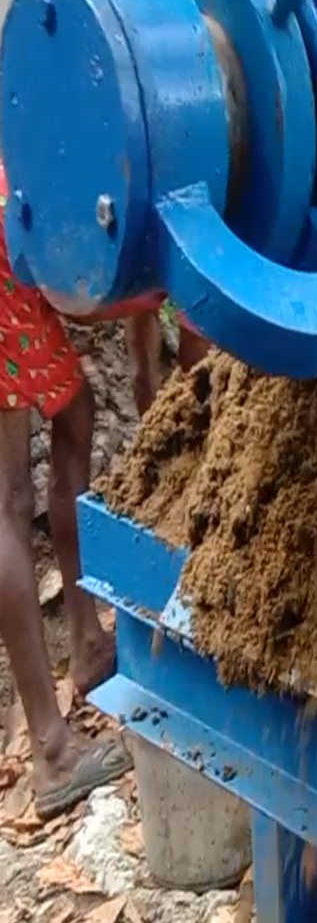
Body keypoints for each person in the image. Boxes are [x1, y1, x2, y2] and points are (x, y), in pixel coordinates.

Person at [0, 159, 159, 818]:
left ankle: (88, 644)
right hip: (10, 226)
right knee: (8, 496)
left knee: (77, 410)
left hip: (18, 210)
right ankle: (51, 751)